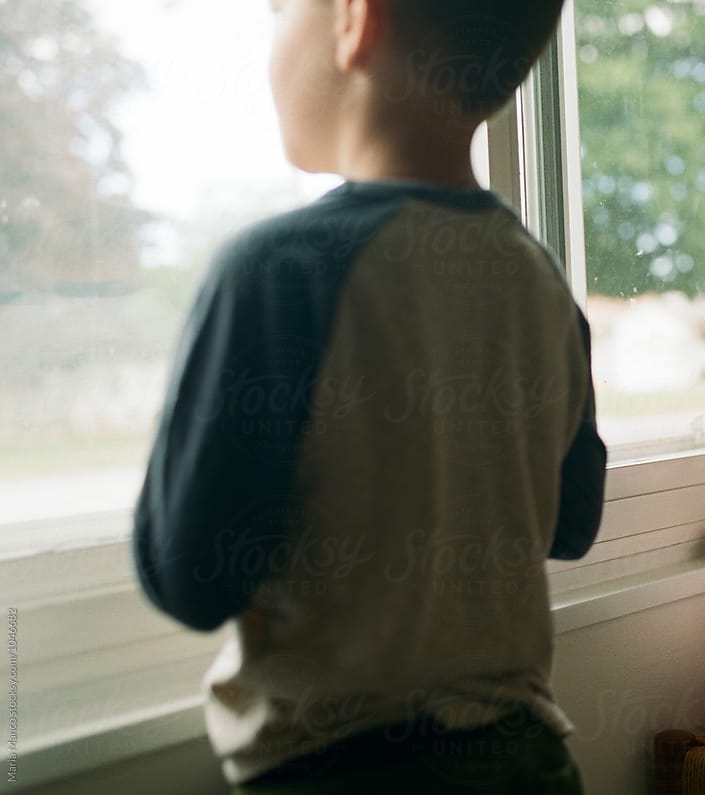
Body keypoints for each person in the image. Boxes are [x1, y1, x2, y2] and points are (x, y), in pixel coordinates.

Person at [131, 1, 606, 792]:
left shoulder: (278, 270)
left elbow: (190, 576)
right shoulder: (541, 284)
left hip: (336, 769)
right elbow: (571, 523)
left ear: (355, 20)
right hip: (528, 762)